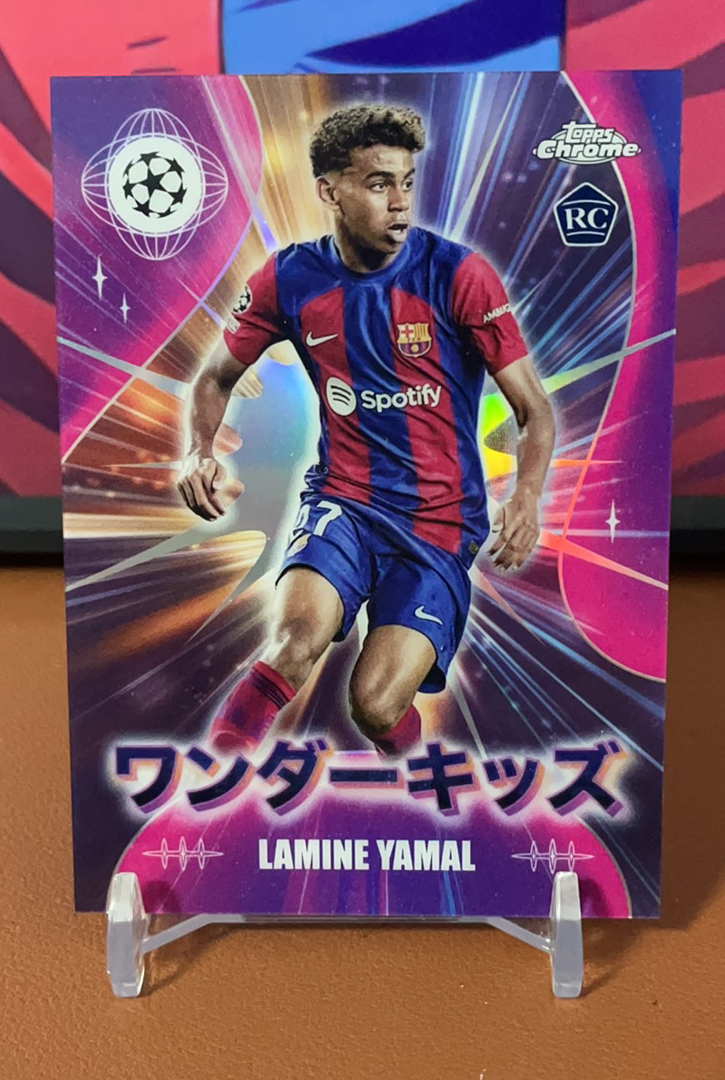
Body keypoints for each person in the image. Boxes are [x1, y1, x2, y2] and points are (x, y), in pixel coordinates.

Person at [177, 104, 555, 757]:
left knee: (376, 705)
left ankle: (411, 771)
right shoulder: (289, 278)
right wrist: (198, 451)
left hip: (438, 525)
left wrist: (526, 496)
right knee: (295, 643)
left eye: (406, 182)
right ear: (330, 192)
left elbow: (533, 408)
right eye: (379, 184)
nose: (400, 201)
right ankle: (213, 778)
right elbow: (215, 376)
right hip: (343, 502)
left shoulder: (458, 275)